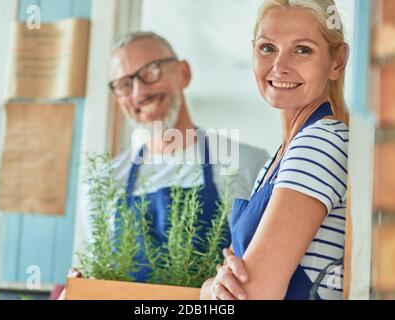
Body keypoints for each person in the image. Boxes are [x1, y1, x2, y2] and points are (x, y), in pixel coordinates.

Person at [84, 31, 270, 282]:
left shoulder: (248, 162)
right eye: (124, 84)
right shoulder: (104, 182)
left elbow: (264, 272)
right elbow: (97, 279)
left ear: (183, 73)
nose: (139, 93)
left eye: (151, 71)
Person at [200, 0, 349, 300]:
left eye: (302, 50)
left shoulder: (320, 143)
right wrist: (214, 288)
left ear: (337, 62)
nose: (279, 66)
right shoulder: (279, 158)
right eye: (268, 48)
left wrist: (209, 292)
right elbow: (229, 289)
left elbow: (250, 296)